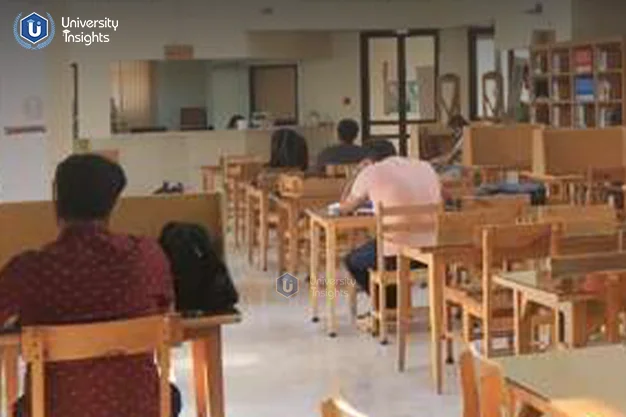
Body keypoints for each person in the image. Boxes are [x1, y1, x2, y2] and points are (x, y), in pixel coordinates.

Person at [0, 154, 182, 417]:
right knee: (170, 395)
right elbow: (166, 307)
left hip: (56, 409)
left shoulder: (29, 270)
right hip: (140, 407)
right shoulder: (147, 256)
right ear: (113, 205)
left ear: (57, 203)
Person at [341, 140, 441, 308]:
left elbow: (344, 207)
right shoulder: (425, 166)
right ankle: (394, 308)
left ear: (369, 160)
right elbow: (443, 197)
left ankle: (388, 308)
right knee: (384, 246)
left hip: (395, 256)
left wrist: (356, 173)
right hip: (432, 249)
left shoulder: (371, 171)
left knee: (353, 260)